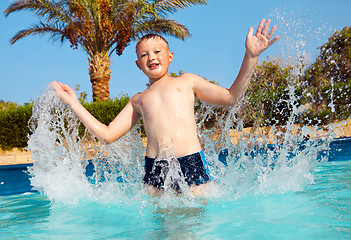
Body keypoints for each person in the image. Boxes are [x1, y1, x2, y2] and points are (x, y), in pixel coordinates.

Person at [51, 19, 279, 197]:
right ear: (138, 64)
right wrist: (74, 103)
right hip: (154, 169)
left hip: (190, 161)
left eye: (157, 51)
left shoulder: (187, 81)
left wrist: (250, 56)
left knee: (197, 225)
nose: (151, 57)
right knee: (160, 227)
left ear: (170, 56)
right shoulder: (138, 100)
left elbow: (232, 97)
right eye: (144, 55)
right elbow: (107, 135)